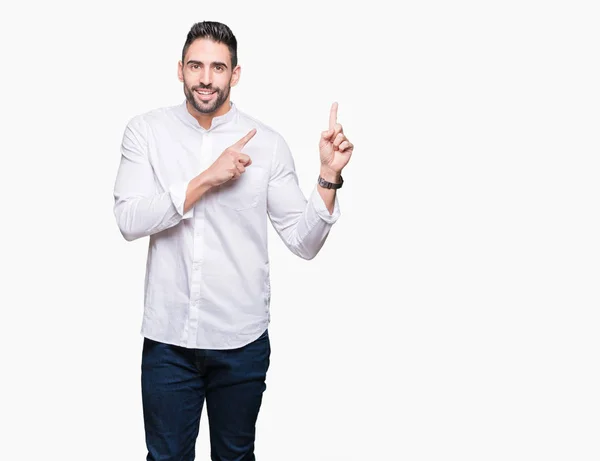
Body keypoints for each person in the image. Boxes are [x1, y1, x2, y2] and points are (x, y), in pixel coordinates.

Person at [113, 20, 354, 461]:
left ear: (235, 74)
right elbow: (128, 220)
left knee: (236, 457)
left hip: (241, 343)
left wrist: (328, 177)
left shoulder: (269, 145)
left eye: (218, 68)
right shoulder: (145, 132)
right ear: (180, 69)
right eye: (196, 66)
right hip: (169, 342)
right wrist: (207, 179)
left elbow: (304, 242)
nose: (206, 78)